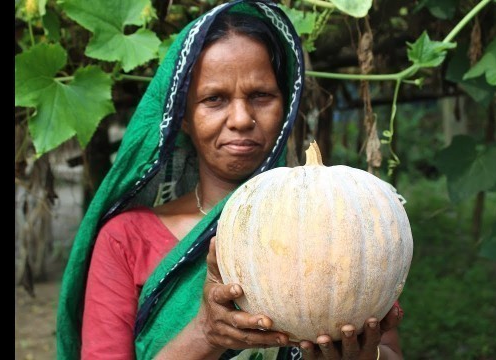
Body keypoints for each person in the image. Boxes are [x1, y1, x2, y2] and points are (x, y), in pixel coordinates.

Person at [56, 1, 405, 359]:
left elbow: (389, 350)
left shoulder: (343, 222)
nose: (240, 118)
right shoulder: (125, 239)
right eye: (214, 99)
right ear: (184, 118)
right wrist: (205, 333)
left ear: (286, 105)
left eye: (260, 96)